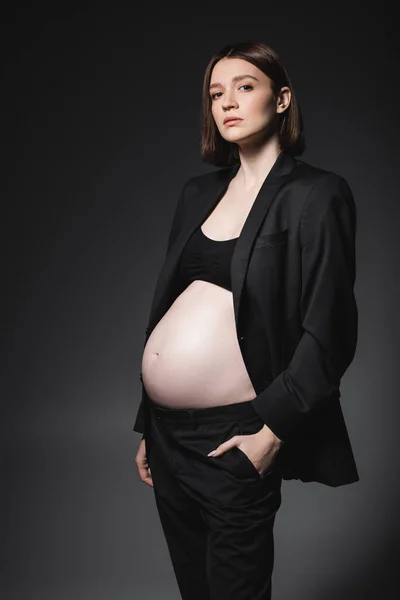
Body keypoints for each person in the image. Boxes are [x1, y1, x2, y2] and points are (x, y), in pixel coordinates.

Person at [133, 40, 359, 600]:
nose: (227, 102)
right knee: (196, 591)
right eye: (216, 93)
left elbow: (330, 328)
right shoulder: (197, 193)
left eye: (245, 87)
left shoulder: (315, 194)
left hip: (236, 434)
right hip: (167, 437)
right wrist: (148, 424)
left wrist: (273, 432)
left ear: (281, 100)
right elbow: (168, 307)